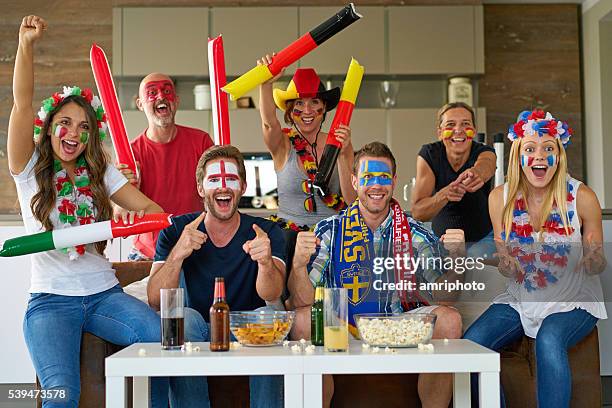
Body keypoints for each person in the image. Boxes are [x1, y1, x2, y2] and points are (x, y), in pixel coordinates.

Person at [9, 16, 168, 407]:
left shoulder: (100, 171)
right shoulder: (29, 170)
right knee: (62, 396)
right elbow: (21, 103)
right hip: (49, 301)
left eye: (83, 127)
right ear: (48, 128)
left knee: (161, 338)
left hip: (103, 295)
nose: (74, 134)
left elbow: (154, 210)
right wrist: (26, 46)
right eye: (64, 123)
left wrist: (135, 218)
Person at [289, 142, 467, 408]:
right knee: (303, 320)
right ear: (354, 180)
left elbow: (445, 298)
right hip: (342, 324)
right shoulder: (328, 230)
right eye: (368, 177)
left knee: (450, 320)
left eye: (383, 177)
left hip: (399, 325)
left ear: (394, 181)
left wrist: (457, 261)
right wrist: (298, 265)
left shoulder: (416, 233)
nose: (376, 186)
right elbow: (303, 300)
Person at [463, 110, 608, 407]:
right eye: (530, 149)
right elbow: (505, 257)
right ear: (519, 155)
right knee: (472, 345)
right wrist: (505, 263)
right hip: (521, 297)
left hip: (574, 298)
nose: (539, 156)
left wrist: (594, 258)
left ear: (559, 155)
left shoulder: (582, 197)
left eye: (548, 149)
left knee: (550, 338)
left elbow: (597, 255)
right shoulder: (500, 199)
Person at [147, 145, 286, 408]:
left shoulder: (265, 231)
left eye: (231, 179)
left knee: (268, 318)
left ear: (242, 187)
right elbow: (155, 300)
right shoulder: (176, 230)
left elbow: (273, 294)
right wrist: (177, 254)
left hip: (246, 328)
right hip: (197, 328)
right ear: (200, 188)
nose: (223, 187)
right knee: (182, 319)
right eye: (214, 180)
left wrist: (265, 262)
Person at [116, 73, 214, 260]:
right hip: (148, 256)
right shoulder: (129, 153)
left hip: (196, 250)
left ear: (176, 101)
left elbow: (216, 192)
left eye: (167, 91)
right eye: (152, 92)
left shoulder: (201, 142)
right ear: (140, 104)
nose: (161, 96)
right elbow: (119, 214)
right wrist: (124, 191)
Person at [258, 55, 357, 230]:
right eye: (299, 103)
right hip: (289, 238)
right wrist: (265, 84)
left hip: (333, 236)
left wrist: (342, 154)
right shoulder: (282, 143)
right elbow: (268, 123)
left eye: (314, 102)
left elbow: (352, 202)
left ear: (324, 107)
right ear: (290, 109)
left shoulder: (341, 141)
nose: (307, 110)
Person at [411, 102, 496, 258]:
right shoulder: (429, 154)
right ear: (440, 132)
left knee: (474, 266)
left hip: (482, 241)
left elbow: (487, 164)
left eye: (466, 124)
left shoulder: (485, 151)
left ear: (474, 131)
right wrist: (444, 195)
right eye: (451, 125)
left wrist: (476, 173)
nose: (458, 130)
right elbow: (418, 212)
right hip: (440, 240)